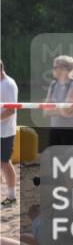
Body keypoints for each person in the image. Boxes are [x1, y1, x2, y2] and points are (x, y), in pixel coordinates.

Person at [43, 56, 73, 147]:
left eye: (55, 67)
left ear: (63, 69)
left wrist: (54, 110)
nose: (52, 69)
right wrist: (62, 111)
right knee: (53, 159)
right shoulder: (53, 85)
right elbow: (46, 111)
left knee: (69, 159)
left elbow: (68, 110)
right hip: (55, 128)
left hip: (71, 130)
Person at [0, 62, 17, 207]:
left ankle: (12, 196)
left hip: (5, 132)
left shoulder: (8, 84)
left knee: (5, 163)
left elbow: (11, 110)